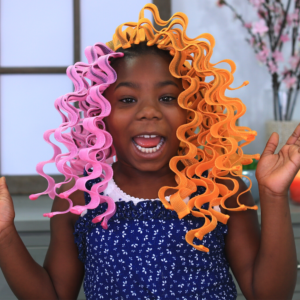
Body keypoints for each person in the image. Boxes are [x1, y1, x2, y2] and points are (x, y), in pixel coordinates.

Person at [0, 3, 299, 299]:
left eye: (167, 97)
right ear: (100, 116)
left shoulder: (221, 190)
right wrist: (3, 234)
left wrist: (273, 195)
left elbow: (269, 294)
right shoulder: (80, 197)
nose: (149, 112)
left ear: (193, 111)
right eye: (128, 100)